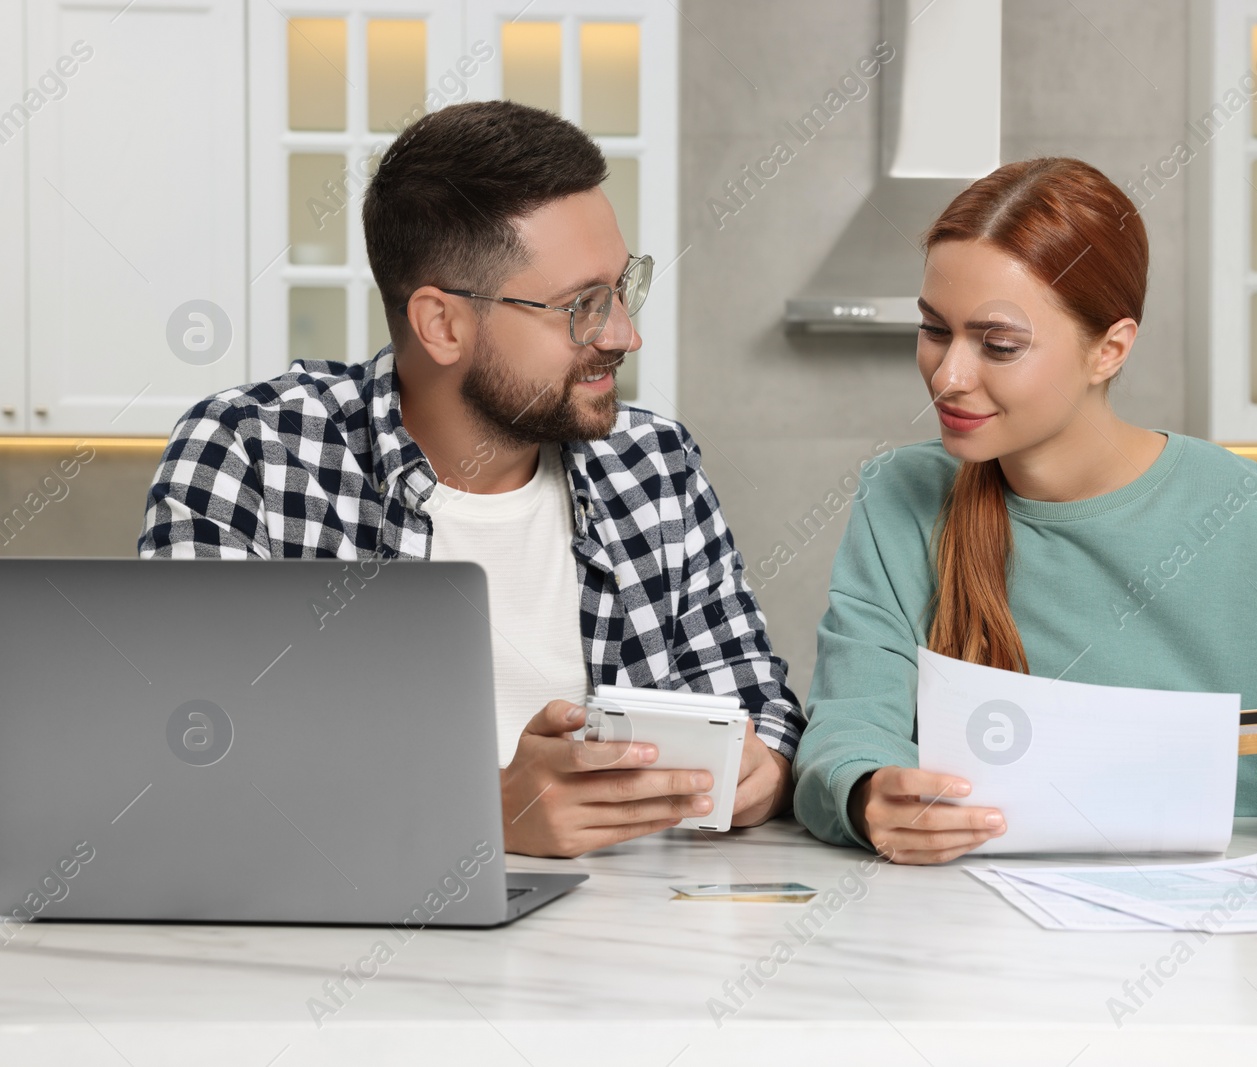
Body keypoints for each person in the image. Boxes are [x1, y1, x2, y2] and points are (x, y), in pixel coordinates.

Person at [138, 101, 801, 857]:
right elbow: (188, 758)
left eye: (622, 288)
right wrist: (486, 808)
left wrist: (761, 773)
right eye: (581, 305)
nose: (622, 333)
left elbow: (758, 706)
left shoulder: (654, 463)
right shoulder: (253, 454)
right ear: (442, 324)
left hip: (631, 939)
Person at [792, 157, 1257, 865]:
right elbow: (848, 731)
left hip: (1224, 933)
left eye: (998, 344)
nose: (947, 375)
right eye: (934, 329)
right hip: (973, 927)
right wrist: (865, 793)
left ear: (1111, 349)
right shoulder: (900, 499)